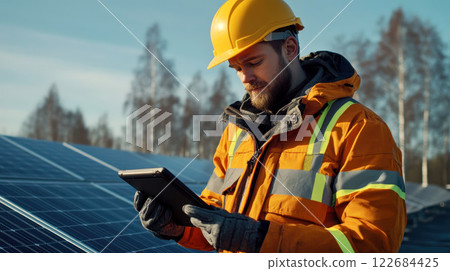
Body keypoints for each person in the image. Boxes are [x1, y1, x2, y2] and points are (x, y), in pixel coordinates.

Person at [134, 0, 406, 253]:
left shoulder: (358, 128)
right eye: (236, 67)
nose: (245, 77)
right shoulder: (237, 131)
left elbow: (373, 242)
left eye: (253, 63)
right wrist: (177, 226)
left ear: (289, 48)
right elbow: (214, 219)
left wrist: (260, 239)